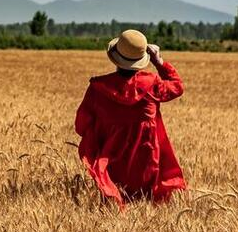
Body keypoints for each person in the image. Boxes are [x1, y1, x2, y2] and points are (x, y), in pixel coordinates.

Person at [74, 29, 187, 206]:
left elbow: (81, 124)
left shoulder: (98, 88)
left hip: (111, 155)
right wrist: (159, 62)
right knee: (146, 200)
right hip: (148, 154)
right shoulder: (152, 83)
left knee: (116, 192)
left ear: (115, 57)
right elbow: (177, 87)